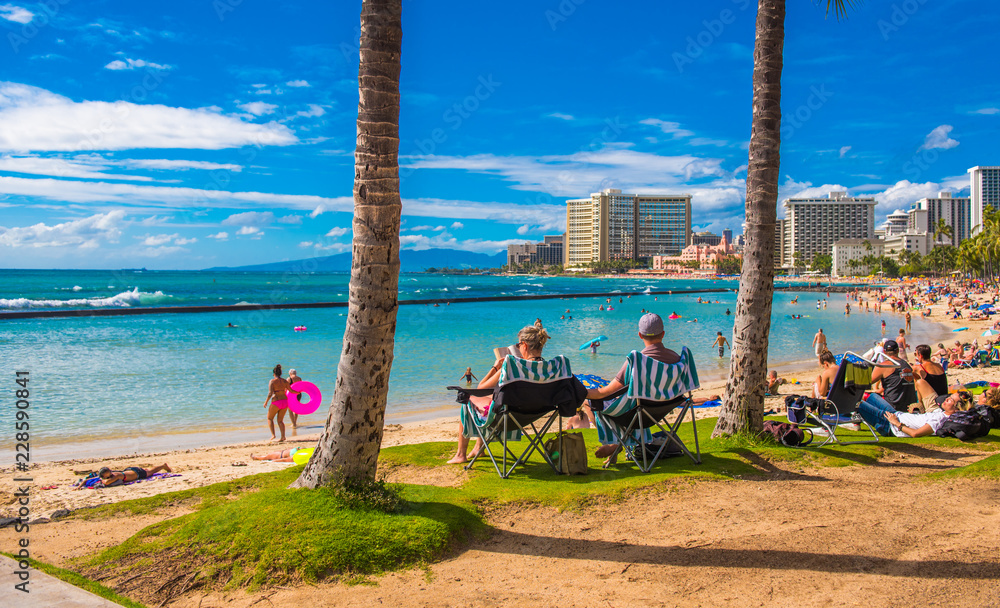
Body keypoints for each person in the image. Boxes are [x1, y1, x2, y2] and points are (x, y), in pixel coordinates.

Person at [585, 313, 682, 464]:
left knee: (594, 403)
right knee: (631, 405)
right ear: (663, 334)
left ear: (640, 335)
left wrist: (584, 393)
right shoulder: (676, 359)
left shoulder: (637, 360)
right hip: (663, 409)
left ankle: (614, 444)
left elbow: (608, 391)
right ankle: (618, 445)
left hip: (638, 412)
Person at [447, 325, 550, 464]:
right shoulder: (548, 368)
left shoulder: (512, 366)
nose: (518, 348)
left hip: (507, 418)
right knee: (491, 400)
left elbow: (481, 387)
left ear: (524, 345)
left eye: (518, 344)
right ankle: (478, 447)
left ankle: (460, 454)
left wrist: (496, 367)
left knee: (468, 401)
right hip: (533, 414)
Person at [857, 389, 969, 438]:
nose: (946, 399)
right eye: (948, 397)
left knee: (857, 403)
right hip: (897, 414)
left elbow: (915, 434)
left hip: (889, 424)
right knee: (872, 396)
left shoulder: (940, 420)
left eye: (950, 400)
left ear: (956, 408)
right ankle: (851, 416)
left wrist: (896, 424)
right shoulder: (942, 413)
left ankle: (844, 417)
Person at [864, 340, 916, 412]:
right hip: (909, 406)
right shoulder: (907, 365)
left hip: (893, 407)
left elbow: (866, 382)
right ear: (897, 350)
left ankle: (856, 419)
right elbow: (895, 381)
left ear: (884, 352)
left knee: (867, 397)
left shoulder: (883, 366)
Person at [264, 364, 298, 443]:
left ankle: (273, 435)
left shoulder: (272, 381)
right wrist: (298, 392)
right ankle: (283, 437)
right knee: (280, 421)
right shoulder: (285, 381)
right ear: (281, 373)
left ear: (274, 374)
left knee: (269, 418)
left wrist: (266, 402)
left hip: (276, 401)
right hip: (285, 402)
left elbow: (270, 393)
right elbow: (291, 390)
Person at [912, 344, 948, 410]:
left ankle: (920, 406)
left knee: (917, 383)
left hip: (933, 402)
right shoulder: (939, 366)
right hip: (943, 398)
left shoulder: (919, 368)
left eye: (916, 354)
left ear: (920, 355)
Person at [96, 464, 172, 487]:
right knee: (148, 471)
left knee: (151, 472)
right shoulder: (113, 474)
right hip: (129, 470)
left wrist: (103, 480)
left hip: (137, 473)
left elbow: (106, 482)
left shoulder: (115, 476)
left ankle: (163, 466)